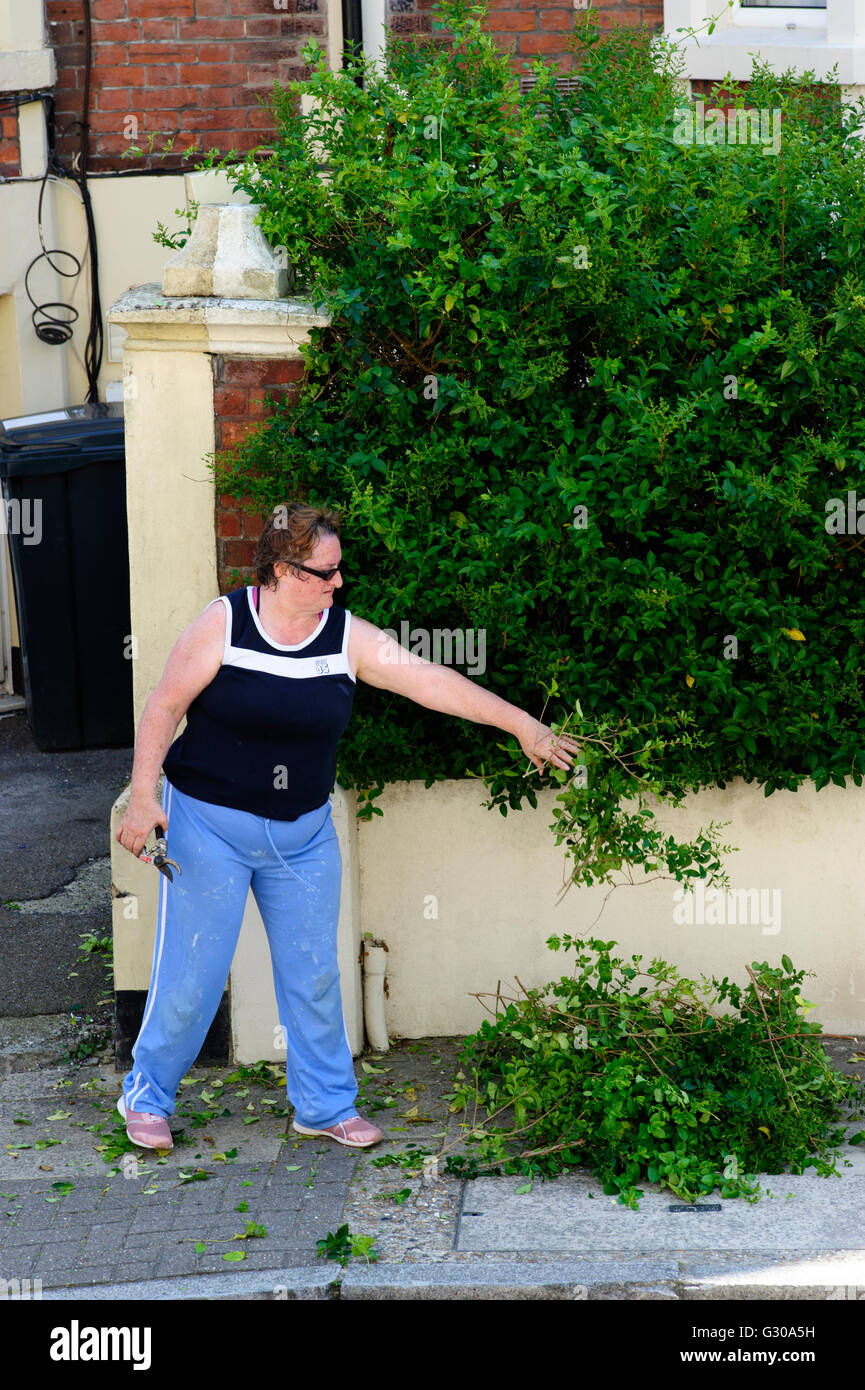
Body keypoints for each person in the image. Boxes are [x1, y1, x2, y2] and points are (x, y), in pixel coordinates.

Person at [115, 502, 581, 1152]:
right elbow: (164, 705)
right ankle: (147, 1096)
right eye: (325, 572)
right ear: (281, 570)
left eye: (339, 572)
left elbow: (429, 681)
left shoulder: (344, 635)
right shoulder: (224, 624)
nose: (338, 584)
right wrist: (143, 797)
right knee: (192, 976)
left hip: (302, 838)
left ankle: (324, 1105)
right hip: (208, 827)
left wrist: (521, 724)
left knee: (313, 975)